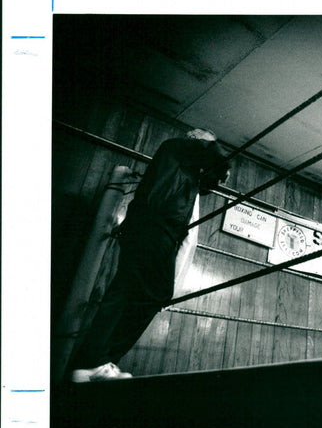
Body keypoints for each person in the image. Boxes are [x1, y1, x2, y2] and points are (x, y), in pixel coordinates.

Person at [69, 128, 230, 382]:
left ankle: (99, 361)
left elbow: (207, 181)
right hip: (154, 228)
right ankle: (94, 361)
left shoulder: (187, 173)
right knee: (139, 293)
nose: (209, 147)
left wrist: (217, 172)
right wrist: (222, 163)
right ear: (195, 137)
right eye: (208, 142)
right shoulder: (175, 148)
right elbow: (212, 155)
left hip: (159, 232)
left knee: (138, 293)